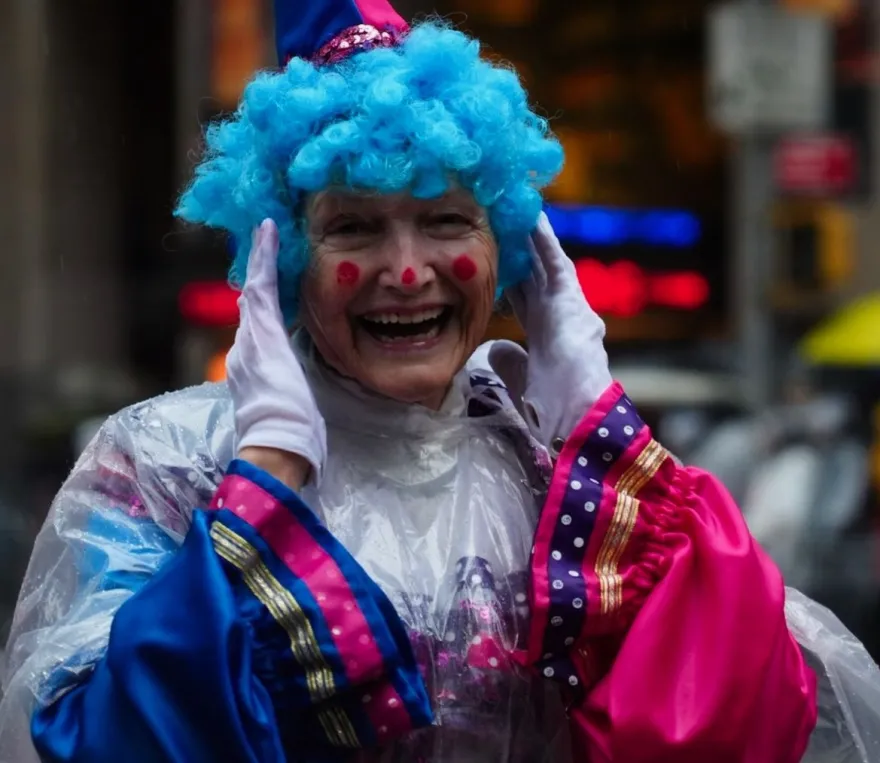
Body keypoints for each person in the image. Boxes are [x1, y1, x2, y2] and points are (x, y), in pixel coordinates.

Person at [2, 1, 880, 761]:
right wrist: (265, 481)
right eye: (355, 229)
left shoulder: (558, 474)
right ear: (285, 260)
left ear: (506, 252)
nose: (409, 268)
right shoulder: (161, 463)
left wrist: (607, 440)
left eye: (446, 221)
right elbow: (103, 739)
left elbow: (748, 719)